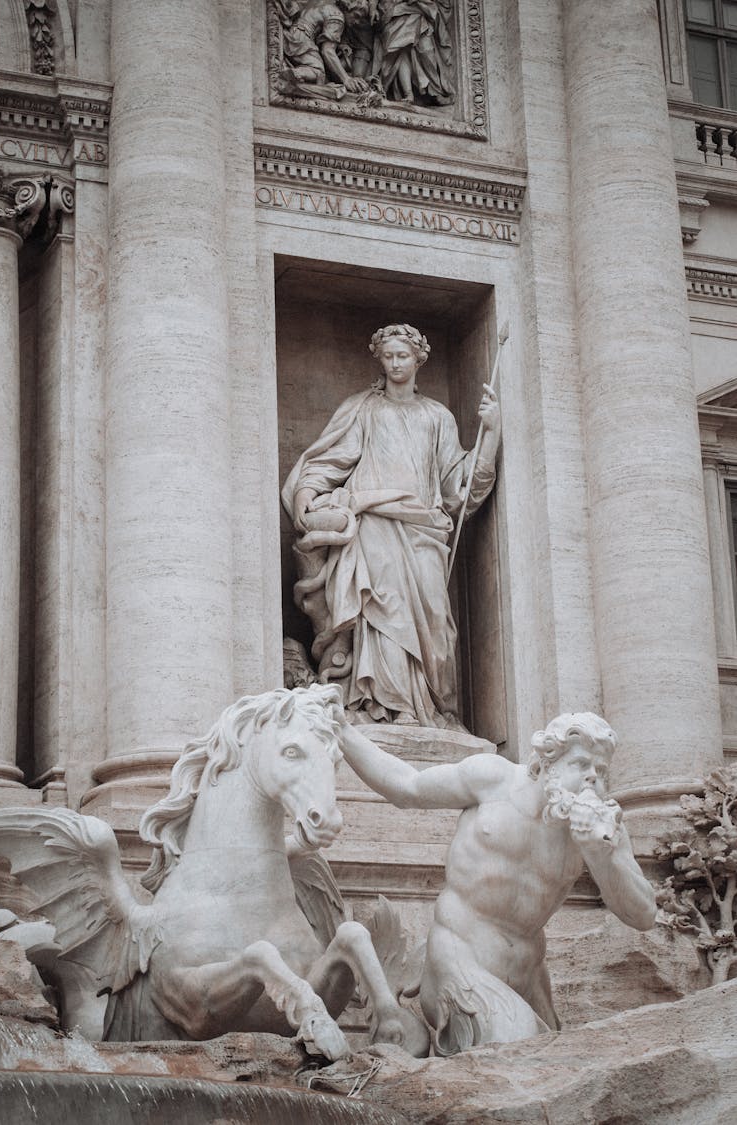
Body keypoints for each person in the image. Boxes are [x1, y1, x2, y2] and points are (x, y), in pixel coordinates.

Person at [336, 711, 657, 1054]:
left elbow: (643, 915)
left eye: (602, 771)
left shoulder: (605, 828)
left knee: (556, 1062)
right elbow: (407, 787)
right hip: (459, 959)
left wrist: (600, 854)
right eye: (581, 764)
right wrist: (340, 729)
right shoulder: (494, 779)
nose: (593, 778)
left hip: (528, 977)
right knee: (518, 1050)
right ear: (548, 764)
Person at [281, 323, 500, 729]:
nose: (396, 363)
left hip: (423, 530)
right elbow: (331, 460)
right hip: (374, 525)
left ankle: (430, 710)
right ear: (379, 359)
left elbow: (460, 489)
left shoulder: (437, 416)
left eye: (403, 356)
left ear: (419, 359)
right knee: (379, 612)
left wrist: (490, 434)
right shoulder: (363, 408)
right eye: (388, 356)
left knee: (434, 623)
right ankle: (377, 705)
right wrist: (306, 492)